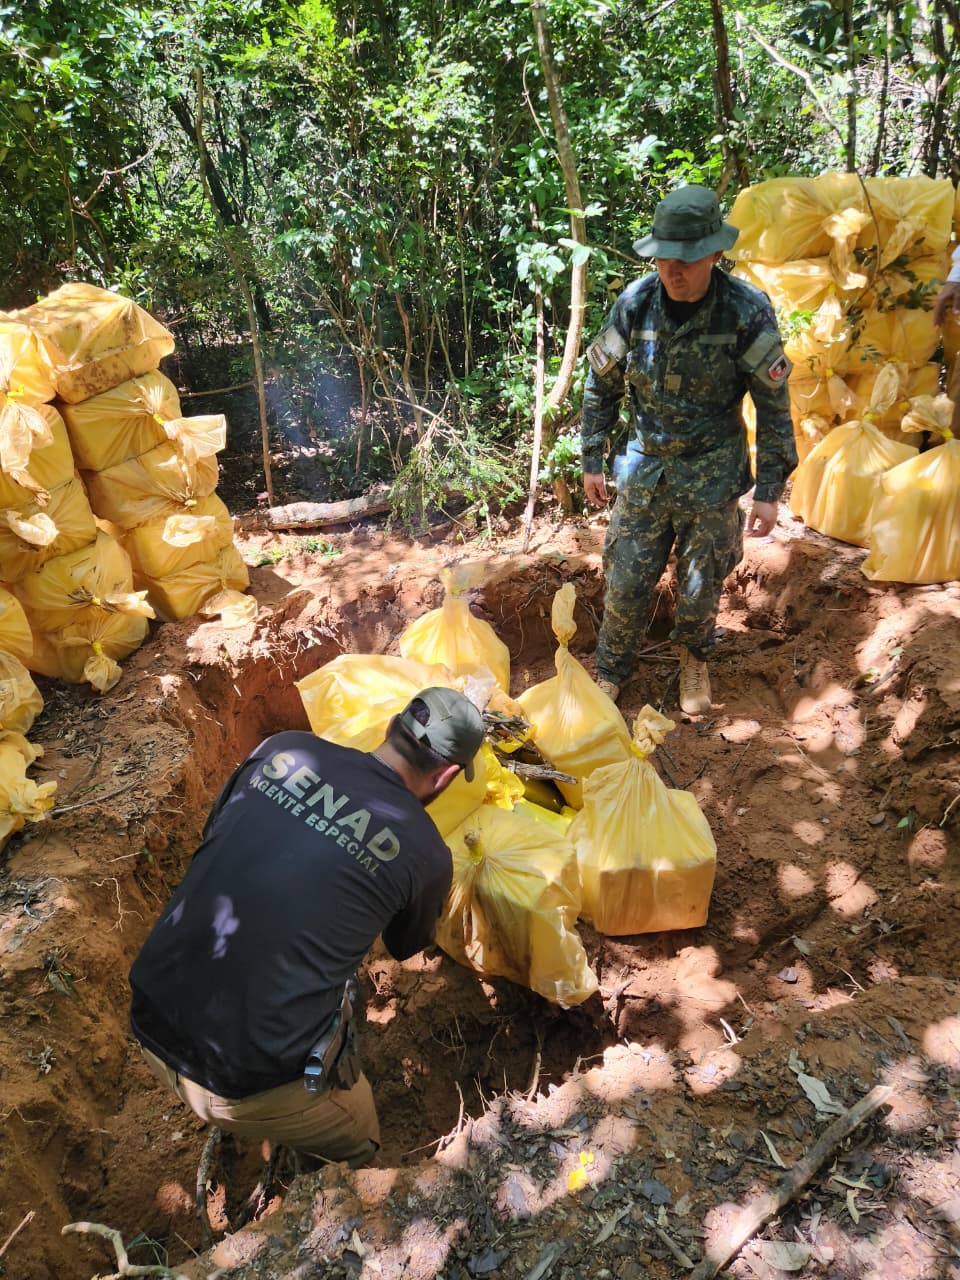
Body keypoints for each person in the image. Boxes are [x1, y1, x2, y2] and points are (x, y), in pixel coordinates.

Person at [128, 685, 485, 1169]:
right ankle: (322, 1175)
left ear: (389, 728)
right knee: (362, 1143)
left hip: (149, 1015)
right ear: (445, 776)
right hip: (244, 1081)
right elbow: (405, 946)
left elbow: (218, 831)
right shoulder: (425, 852)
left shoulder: (284, 748)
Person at [580, 184, 797, 714]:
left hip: (712, 474)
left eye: (687, 259)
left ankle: (693, 659)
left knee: (701, 588)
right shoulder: (635, 304)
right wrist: (591, 458)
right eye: (663, 259)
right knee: (626, 580)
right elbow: (600, 383)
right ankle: (611, 669)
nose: (673, 271)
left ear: (715, 254)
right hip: (645, 471)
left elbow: (773, 404)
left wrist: (769, 490)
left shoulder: (746, 310)